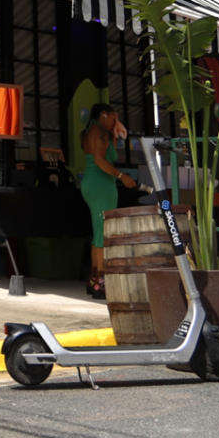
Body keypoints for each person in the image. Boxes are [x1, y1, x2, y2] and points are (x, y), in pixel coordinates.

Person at [78, 103, 137, 299]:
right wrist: (121, 176)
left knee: (99, 231)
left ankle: (95, 280)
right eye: (113, 117)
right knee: (102, 233)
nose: (115, 121)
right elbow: (100, 160)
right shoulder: (98, 132)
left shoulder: (95, 130)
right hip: (100, 184)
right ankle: (99, 281)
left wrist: (114, 127)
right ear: (103, 115)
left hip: (97, 183)